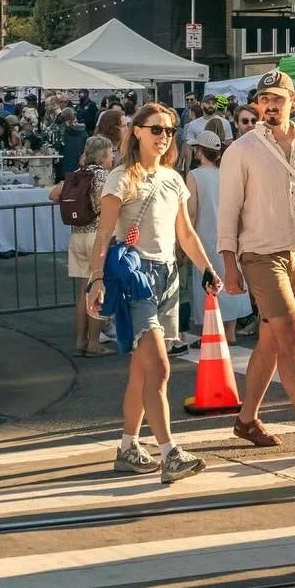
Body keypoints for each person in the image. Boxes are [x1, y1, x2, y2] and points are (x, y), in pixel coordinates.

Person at [85, 102, 221, 484]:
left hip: (167, 277)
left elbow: (185, 234)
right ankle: (170, 453)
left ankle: (128, 447)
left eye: (169, 131)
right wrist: (96, 280)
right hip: (136, 278)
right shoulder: (120, 178)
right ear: (137, 132)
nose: (164, 137)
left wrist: (207, 269)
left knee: (142, 373)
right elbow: (103, 234)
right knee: (159, 368)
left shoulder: (174, 179)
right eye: (156, 129)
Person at [217, 69, 295, 457]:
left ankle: (246, 419)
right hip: (258, 253)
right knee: (290, 329)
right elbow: (228, 212)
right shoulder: (241, 149)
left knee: (273, 341)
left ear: (293, 100)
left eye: (277, 98)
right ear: (257, 105)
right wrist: (229, 264)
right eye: (264, 99)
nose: (270, 105)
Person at [50, 133, 115, 356]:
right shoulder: (103, 175)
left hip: (77, 235)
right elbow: (101, 203)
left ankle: (80, 341)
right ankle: (94, 343)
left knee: (82, 291)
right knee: (97, 289)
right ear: (103, 155)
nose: (112, 158)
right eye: (110, 154)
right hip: (97, 236)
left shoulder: (77, 174)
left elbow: (54, 194)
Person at [185, 128, 250, 344]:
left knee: (207, 281)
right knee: (230, 277)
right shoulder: (226, 174)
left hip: (204, 233)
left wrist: (185, 236)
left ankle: (212, 333)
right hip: (229, 232)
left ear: (199, 151)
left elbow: (192, 210)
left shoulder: (194, 176)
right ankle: (230, 331)